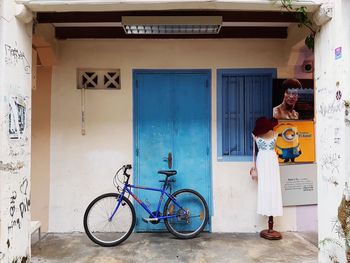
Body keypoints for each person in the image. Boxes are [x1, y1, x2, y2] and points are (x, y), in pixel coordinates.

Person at [252, 117, 283, 240]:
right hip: (267, 161)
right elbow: (253, 154)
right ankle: (268, 215)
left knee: (271, 187)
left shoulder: (274, 134)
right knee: (267, 187)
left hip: (267, 160)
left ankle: (271, 217)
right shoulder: (270, 135)